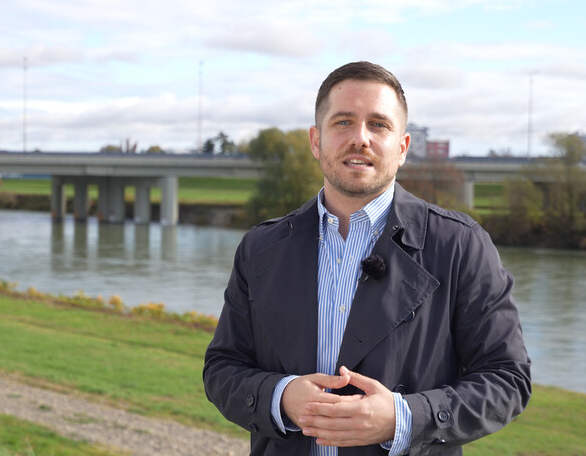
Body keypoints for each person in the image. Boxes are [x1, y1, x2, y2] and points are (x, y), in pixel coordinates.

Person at [202, 61, 531, 456]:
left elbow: (507, 379)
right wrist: (281, 396)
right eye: (343, 122)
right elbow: (222, 368)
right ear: (316, 141)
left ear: (402, 148)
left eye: (378, 124)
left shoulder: (460, 245)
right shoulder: (260, 248)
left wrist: (403, 418)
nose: (360, 138)